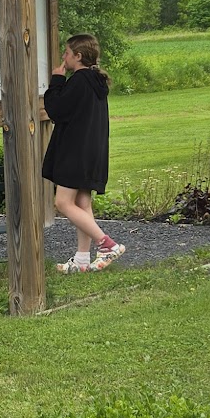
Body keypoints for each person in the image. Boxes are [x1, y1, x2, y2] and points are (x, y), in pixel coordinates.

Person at [43, 33, 122, 272]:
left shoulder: (79, 81)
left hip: (75, 152)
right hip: (92, 151)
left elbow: (57, 110)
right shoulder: (96, 81)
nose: (63, 57)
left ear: (78, 56)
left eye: (67, 53)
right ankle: (81, 260)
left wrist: (57, 81)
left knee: (62, 202)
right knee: (82, 202)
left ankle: (107, 245)